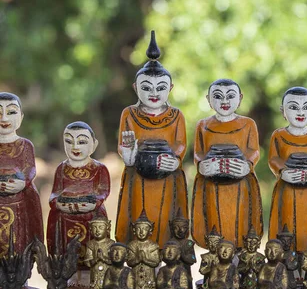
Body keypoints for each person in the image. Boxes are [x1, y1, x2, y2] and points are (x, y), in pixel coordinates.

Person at [115, 31, 188, 247]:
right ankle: (140, 262)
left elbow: (180, 144)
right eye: (146, 88)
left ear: (170, 88)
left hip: (168, 178)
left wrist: (175, 159)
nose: (154, 93)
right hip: (138, 178)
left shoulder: (176, 115)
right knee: (138, 219)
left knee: (168, 222)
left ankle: (167, 264)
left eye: (161, 88)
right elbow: (124, 143)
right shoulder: (129, 114)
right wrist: (128, 153)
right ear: (136, 88)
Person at [191, 79, 262, 249]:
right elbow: (198, 152)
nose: (224, 101)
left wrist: (248, 164)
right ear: (208, 99)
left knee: (240, 222)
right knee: (214, 221)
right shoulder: (203, 125)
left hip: (240, 184)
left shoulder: (248, 124)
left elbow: (254, 151)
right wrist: (201, 165)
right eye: (218, 96)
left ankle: (239, 264)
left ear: (240, 98)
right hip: (212, 184)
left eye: (230, 96)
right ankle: (215, 261)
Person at [268, 87, 307, 251]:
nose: (301, 112)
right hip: (288, 189)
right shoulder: (278, 135)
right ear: (283, 111)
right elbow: (273, 159)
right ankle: (289, 268)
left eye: (306, 107)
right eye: (294, 107)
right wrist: (283, 171)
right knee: (287, 225)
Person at [47, 122, 110, 259]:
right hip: (66, 211)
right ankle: (62, 260)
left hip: (90, 210)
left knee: (97, 219)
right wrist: (56, 203)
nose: (75, 147)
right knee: (55, 216)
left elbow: (103, 191)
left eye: (82, 142)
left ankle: (94, 261)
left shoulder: (99, 168)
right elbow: (55, 192)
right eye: (69, 141)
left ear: (93, 145)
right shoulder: (62, 168)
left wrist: (95, 203)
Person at [0, 92, 43, 258]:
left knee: (17, 242)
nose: (4, 118)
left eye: (11, 112)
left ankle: (20, 277)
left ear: (21, 117)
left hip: (18, 203)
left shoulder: (25, 145)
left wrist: (23, 182)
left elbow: (30, 169)